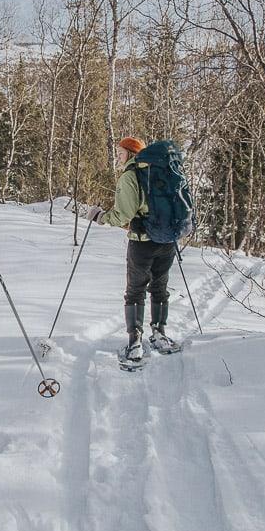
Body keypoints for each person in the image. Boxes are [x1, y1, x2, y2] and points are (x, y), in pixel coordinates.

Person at [86, 136, 177, 363]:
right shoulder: (163, 170)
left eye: (120, 152)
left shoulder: (130, 176)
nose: (118, 156)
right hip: (167, 241)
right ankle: (159, 333)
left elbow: (122, 215)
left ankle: (135, 340)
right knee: (159, 287)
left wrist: (99, 216)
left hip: (142, 242)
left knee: (135, 290)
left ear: (131, 153)